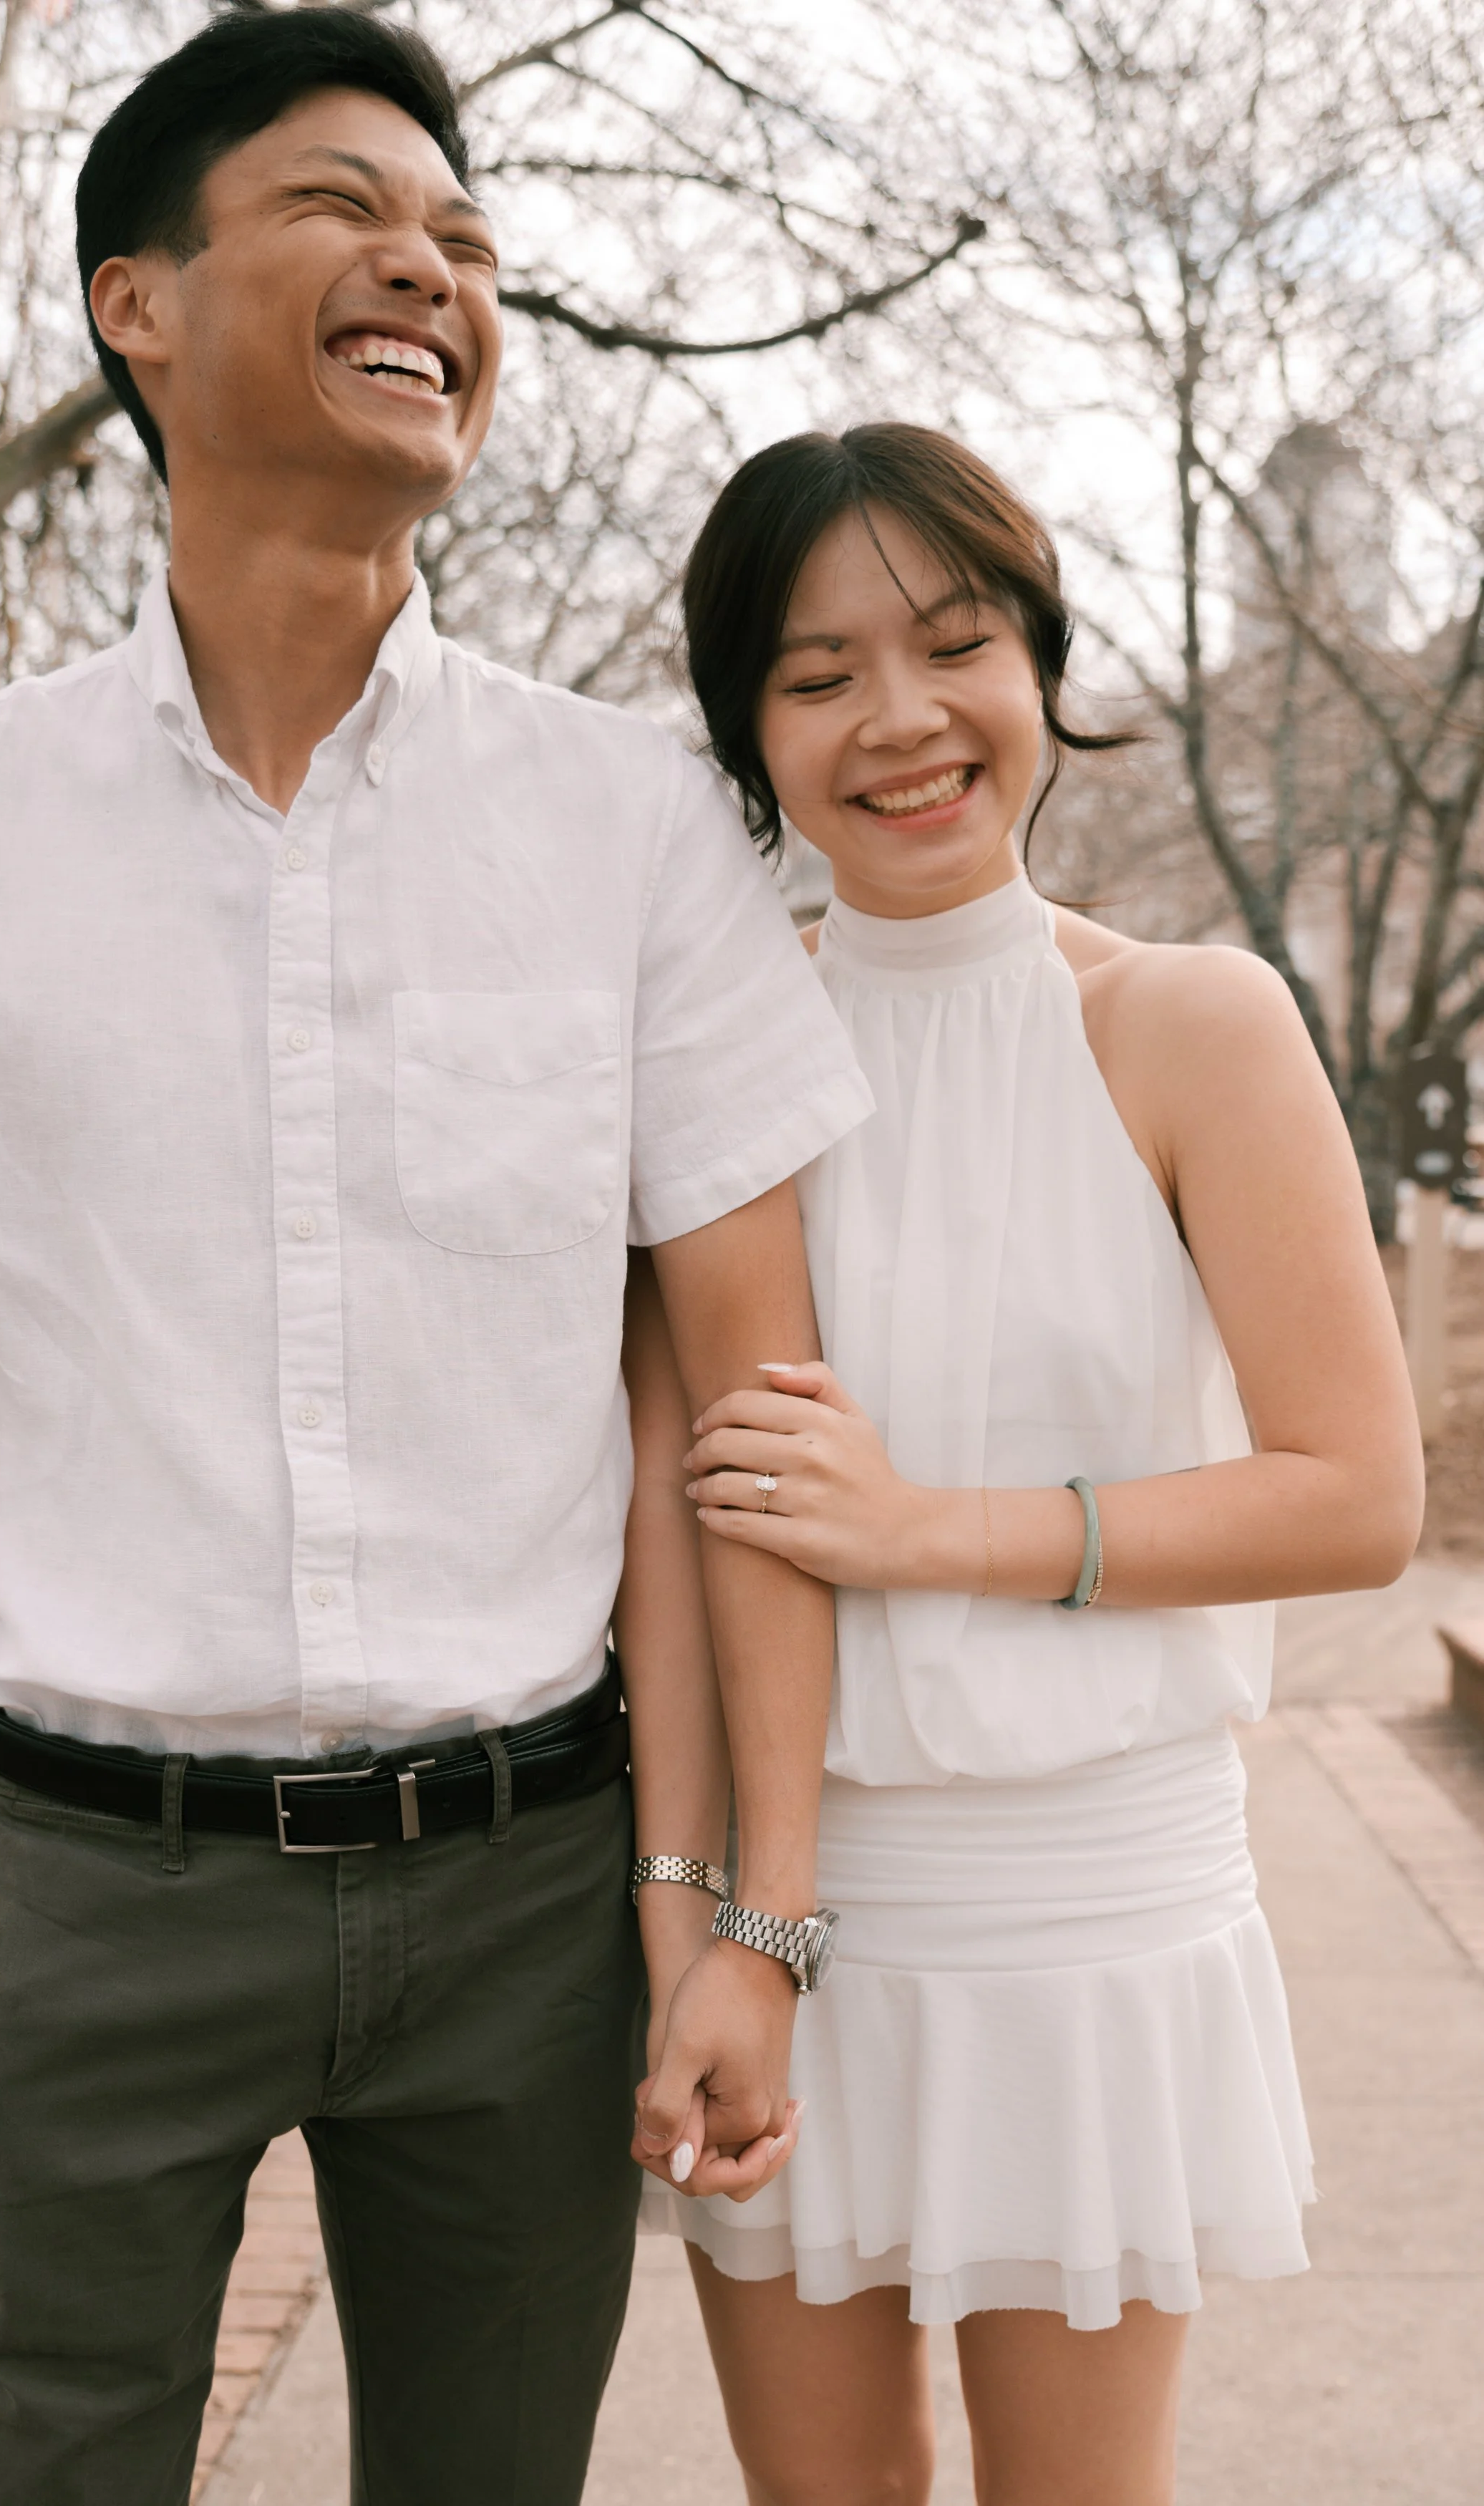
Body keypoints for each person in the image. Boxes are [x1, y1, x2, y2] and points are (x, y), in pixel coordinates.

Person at [0, 16, 875, 2502]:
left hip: (532, 1904)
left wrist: (743, 1921)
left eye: (466, 239)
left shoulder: (632, 824)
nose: (433, 270)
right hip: (81, 1893)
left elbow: (752, 1420)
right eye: (348, 206)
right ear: (139, 301)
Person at [626, 423, 1425, 2506]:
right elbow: (680, 1529)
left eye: (953, 643)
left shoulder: (1190, 1023)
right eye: (814, 677)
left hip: (1092, 1898)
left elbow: (1356, 1489)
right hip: (795, 1916)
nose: (898, 718)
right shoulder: (709, 1064)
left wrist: (926, 1531)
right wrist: (690, 1919)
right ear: (746, 732)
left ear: (1036, 664)